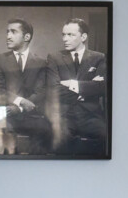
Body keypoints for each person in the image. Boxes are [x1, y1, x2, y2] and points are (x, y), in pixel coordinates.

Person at [45, 18, 107, 154]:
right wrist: (87, 89)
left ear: (83, 37)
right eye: (63, 34)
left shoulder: (98, 58)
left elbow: (102, 87)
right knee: (61, 142)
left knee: (106, 139)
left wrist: (72, 84)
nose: (65, 39)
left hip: (91, 115)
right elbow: (54, 90)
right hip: (64, 115)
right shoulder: (54, 58)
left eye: (70, 35)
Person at [0, 18, 51, 154]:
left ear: (27, 37)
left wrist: (20, 108)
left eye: (13, 32)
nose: (8, 36)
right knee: (6, 135)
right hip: (7, 115)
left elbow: (40, 91)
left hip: (31, 115)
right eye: (7, 32)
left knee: (45, 130)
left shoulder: (41, 62)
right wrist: (21, 102)